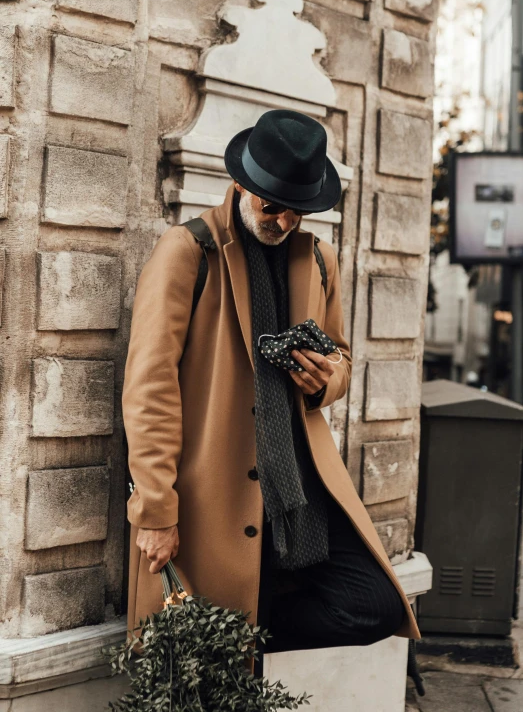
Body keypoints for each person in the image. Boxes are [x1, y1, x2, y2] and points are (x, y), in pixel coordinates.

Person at [122, 109, 421, 677]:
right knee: (206, 678)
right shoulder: (188, 252)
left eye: (297, 210)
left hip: (301, 487)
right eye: (271, 205)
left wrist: (323, 380)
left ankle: (238, 635)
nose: (283, 220)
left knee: (376, 604)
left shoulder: (319, 260)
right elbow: (149, 387)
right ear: (241, 185)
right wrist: (155, 510)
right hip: (214, 491)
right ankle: (226, 641)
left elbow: (340, 356)